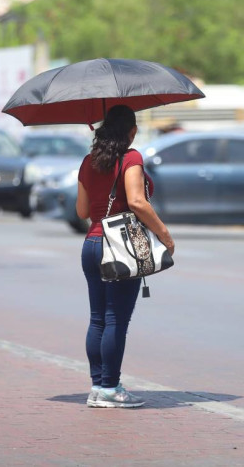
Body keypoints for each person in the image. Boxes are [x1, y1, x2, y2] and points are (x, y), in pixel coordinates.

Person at [76, 104, 175, 409]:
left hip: (91, 245)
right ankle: (110, 388)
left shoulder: (88, 161)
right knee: (116, 319)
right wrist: (164, 236)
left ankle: (97, 386)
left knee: (98, 319)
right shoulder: (131, 158)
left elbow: (81, 211)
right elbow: (137, 202)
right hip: (119, 246)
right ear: (132, 131)